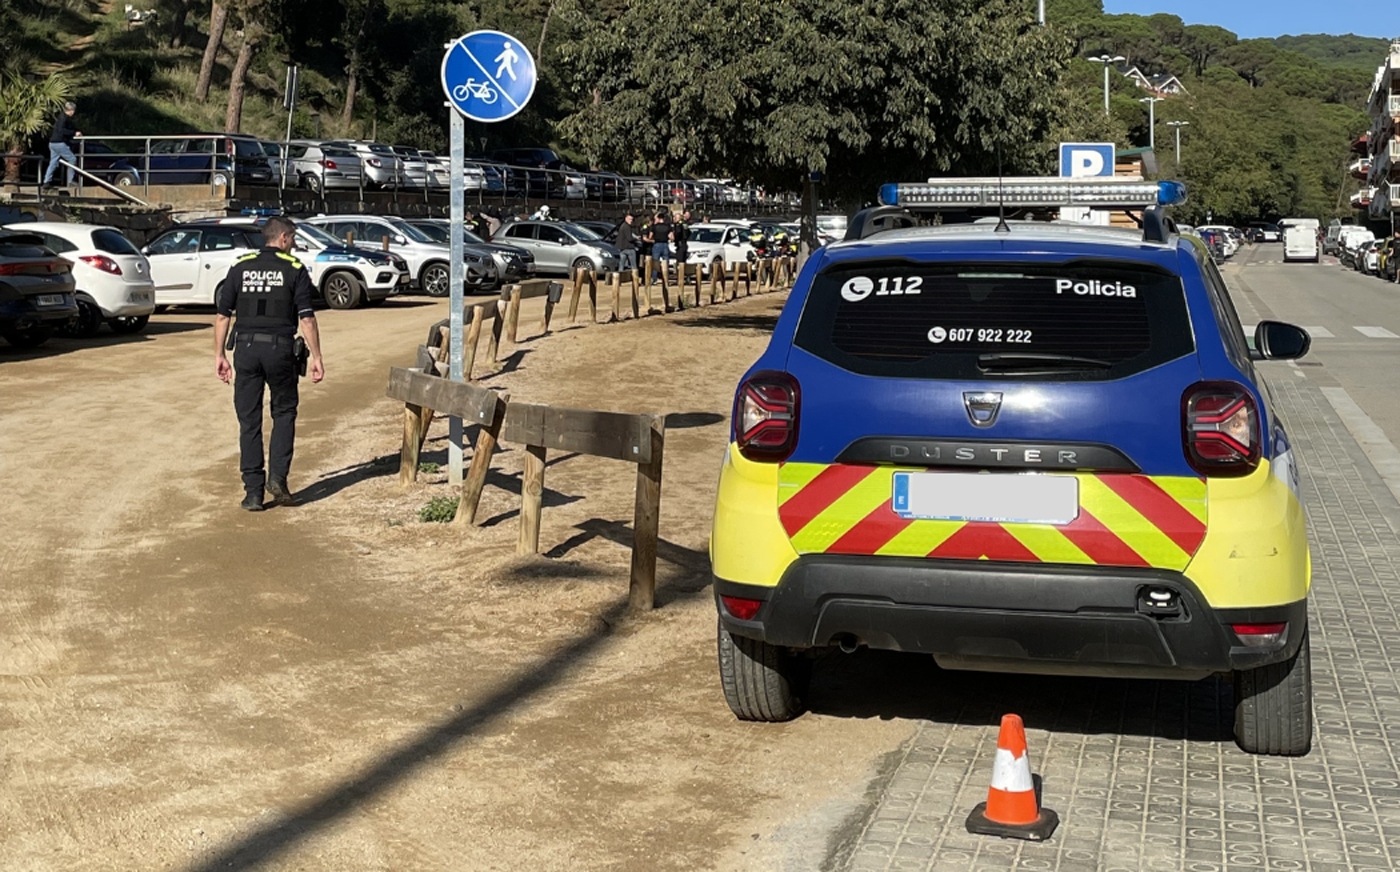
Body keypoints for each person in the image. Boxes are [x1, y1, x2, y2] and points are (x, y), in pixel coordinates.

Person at [214, 216, 325, 512]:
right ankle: (278, 479)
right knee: (284, 413)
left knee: (249, 421)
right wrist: (316, 357)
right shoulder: (294, 269)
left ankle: (253, 493)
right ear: (285, 238)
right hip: (280, 350)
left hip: (246, 349)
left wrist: (220, 356)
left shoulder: (240, 265)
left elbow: (223, 315)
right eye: (294, 239)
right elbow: (307, 318)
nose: (295, 245)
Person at [43, 101, 81, 189]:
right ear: (71, 110)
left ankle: (46, 181)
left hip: (52, 143)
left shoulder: (60, 118)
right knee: (72, 159)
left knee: (53, 162)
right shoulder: (65, 118)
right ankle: (70, 181)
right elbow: (63, 131)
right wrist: (74, 133)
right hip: (59, 143)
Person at [650, 212, 672, 285]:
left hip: (657, 244)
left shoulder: (654, 227)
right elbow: (671, 237)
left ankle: (655, 279)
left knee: (655, 262)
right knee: (666, 262)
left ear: (658, 218)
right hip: (665, 244)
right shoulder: (668, 226)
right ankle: (666, 279)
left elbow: (650, 236)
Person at [672, 209, 691, 274]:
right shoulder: (685, 224)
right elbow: (689, 233)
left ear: (679, 218)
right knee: (683, 261)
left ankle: (680, 277)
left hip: (680, 244)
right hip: (684, 244)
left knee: (680, 262)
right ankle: (685, 275)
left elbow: (678, 233)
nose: (673, 219)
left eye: (675, 217)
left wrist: (674, 239)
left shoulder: (678, 225)